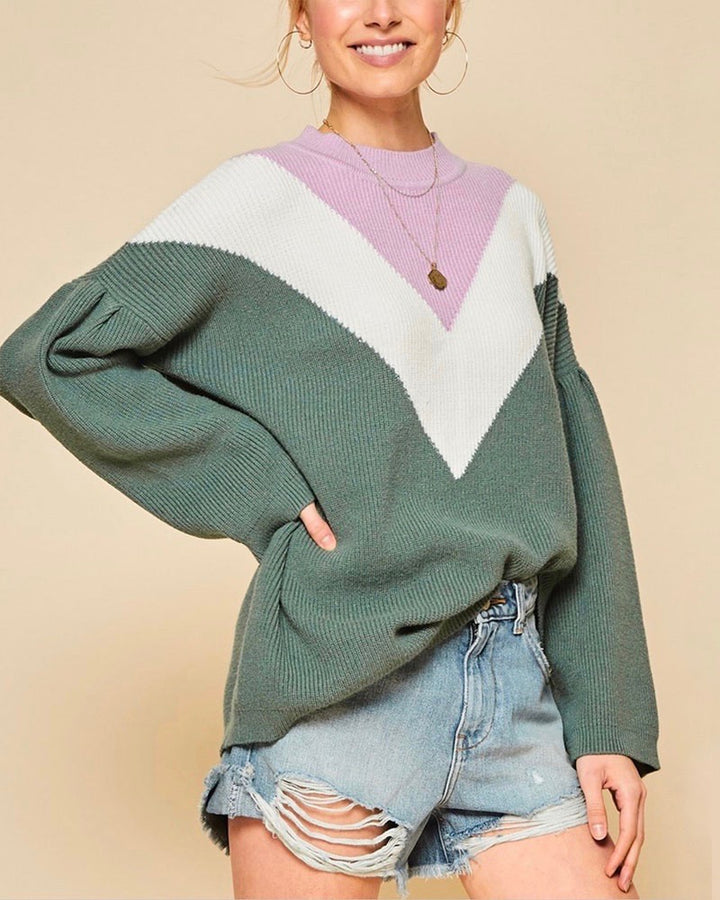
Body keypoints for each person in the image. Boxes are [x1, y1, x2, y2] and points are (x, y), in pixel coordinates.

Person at [0, 1, 661, 898]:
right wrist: (254, 480)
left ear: (450, 8)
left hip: (516, 686)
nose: (381, 12)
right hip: (339, 686)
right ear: (302, 13)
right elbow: (49, 356)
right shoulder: (254, 199)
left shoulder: (514, 213)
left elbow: (579, 456)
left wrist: (610, 717)